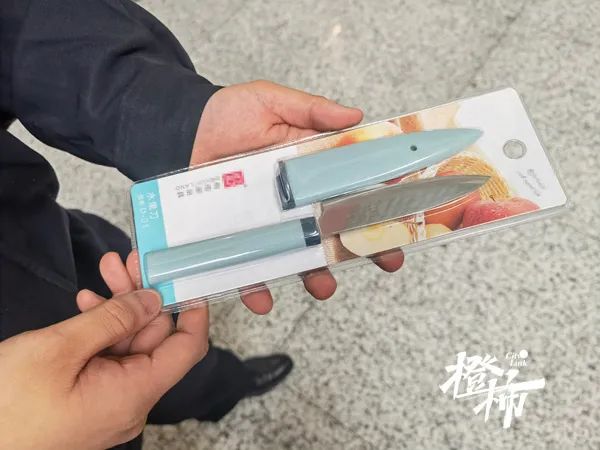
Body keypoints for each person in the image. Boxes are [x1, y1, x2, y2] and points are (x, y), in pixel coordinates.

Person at [0, 1, 404, 449]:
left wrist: (171, 116)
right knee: (148, 358)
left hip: (42, 238)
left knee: (171, 339)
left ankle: (224, 387)